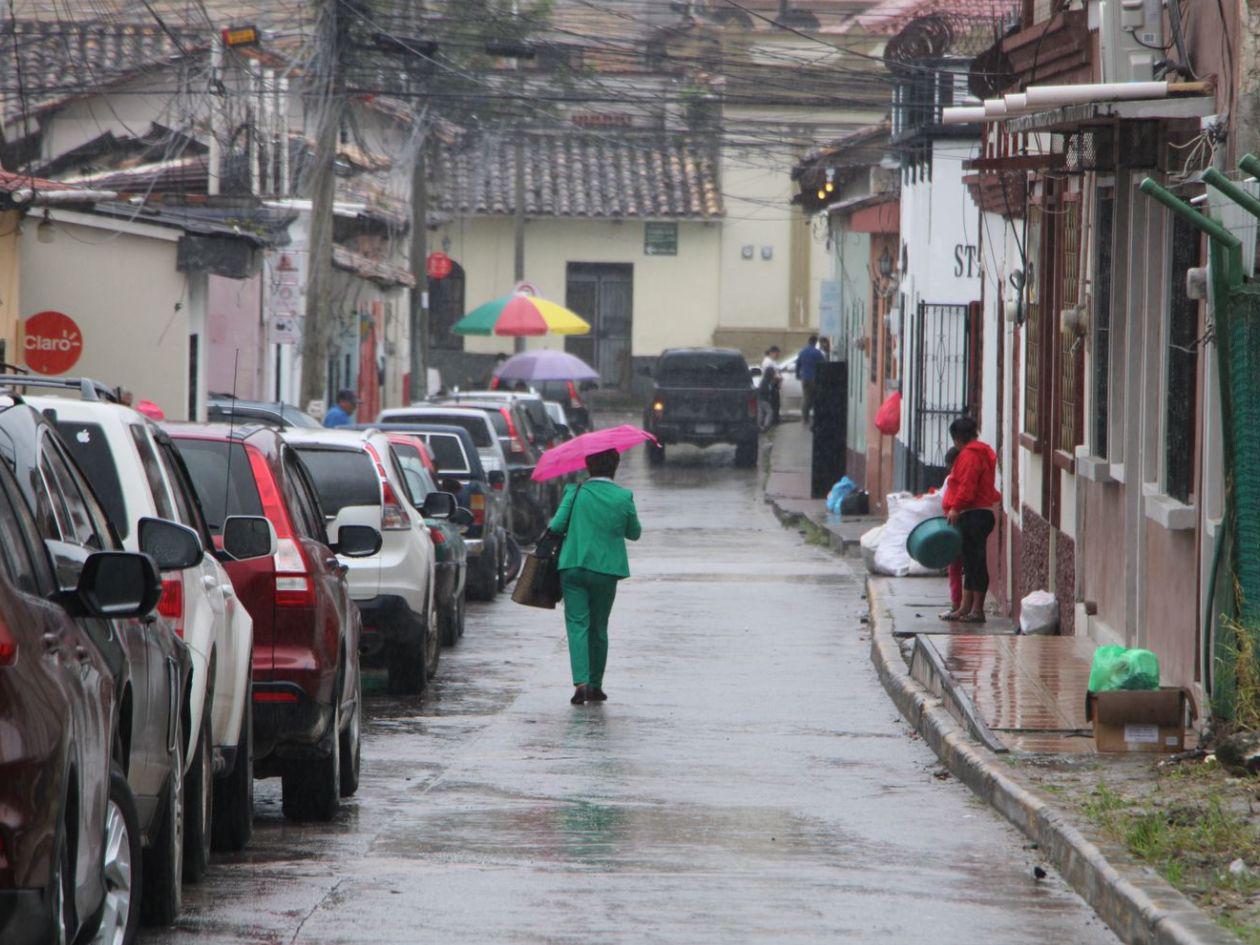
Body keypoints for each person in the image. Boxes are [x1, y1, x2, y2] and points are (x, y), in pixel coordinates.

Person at [550, 448, 642, 705]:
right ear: (615, 466)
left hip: (573, 566)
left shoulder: (575, 492)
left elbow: (556, 526)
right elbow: (634, 533)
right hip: (606, 570)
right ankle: (596, 685)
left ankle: (580, 683)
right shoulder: (623, 496)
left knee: (577, 624)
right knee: (599, 626)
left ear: (588, 466)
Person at [941, 416, 1001, 624]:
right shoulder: (981, 452)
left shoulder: (970, 456)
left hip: (973, 514)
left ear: (958, 438)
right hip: (979, 513)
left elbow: (967, 486)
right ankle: (966, 608)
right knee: (970, 561)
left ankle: (977, 610)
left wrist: (955, 507)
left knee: (976, 563)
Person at [938, 446, 963, 620]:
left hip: (962, 523)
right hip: (952, 524)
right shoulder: (950, 480)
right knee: (954, 567)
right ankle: (957, 604)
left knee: (962, 566)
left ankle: (962, 606)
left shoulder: (965, 479)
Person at [796, 335, 826, 425]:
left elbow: (798, 364)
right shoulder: (818, 353)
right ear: (815, 342)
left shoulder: (802, 352)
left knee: (806, 398)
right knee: (816, 397)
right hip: (815, 379)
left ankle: (805, 418)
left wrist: (797, 375)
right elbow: (823, 365)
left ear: (808, 341)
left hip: (805, 378)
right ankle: (816, 417)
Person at [761, 345, 782, 424]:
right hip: (770, 386)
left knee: (776, 404)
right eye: (777, 353)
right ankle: (772, 421)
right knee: (773, 404)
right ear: (772, 353)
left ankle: (775, 420)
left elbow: (776, 372)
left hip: (774, 385)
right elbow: (770, 374)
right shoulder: (768, 362)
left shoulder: (773, 361)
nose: (778, 355)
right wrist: (779, 378)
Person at [756, 360, 779, 432]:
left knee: (761, 412)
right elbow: (768, 390)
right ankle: (766, 426)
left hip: (759, 398)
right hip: (764, 399)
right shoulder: (766, 382)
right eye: (773, 373)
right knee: (769, 412)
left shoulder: (764, 380)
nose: (774, 375)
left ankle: (759, 426)